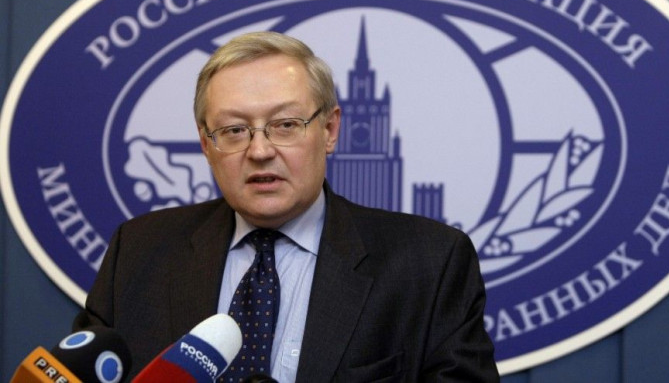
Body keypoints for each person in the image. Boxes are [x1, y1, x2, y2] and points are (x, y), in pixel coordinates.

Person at [74, 31, 500, 382]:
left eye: (285, 125)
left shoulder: (428, 262)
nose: (259, 150)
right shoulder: (140, 249)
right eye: (235, 130)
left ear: (329, 130)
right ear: (207, 144)